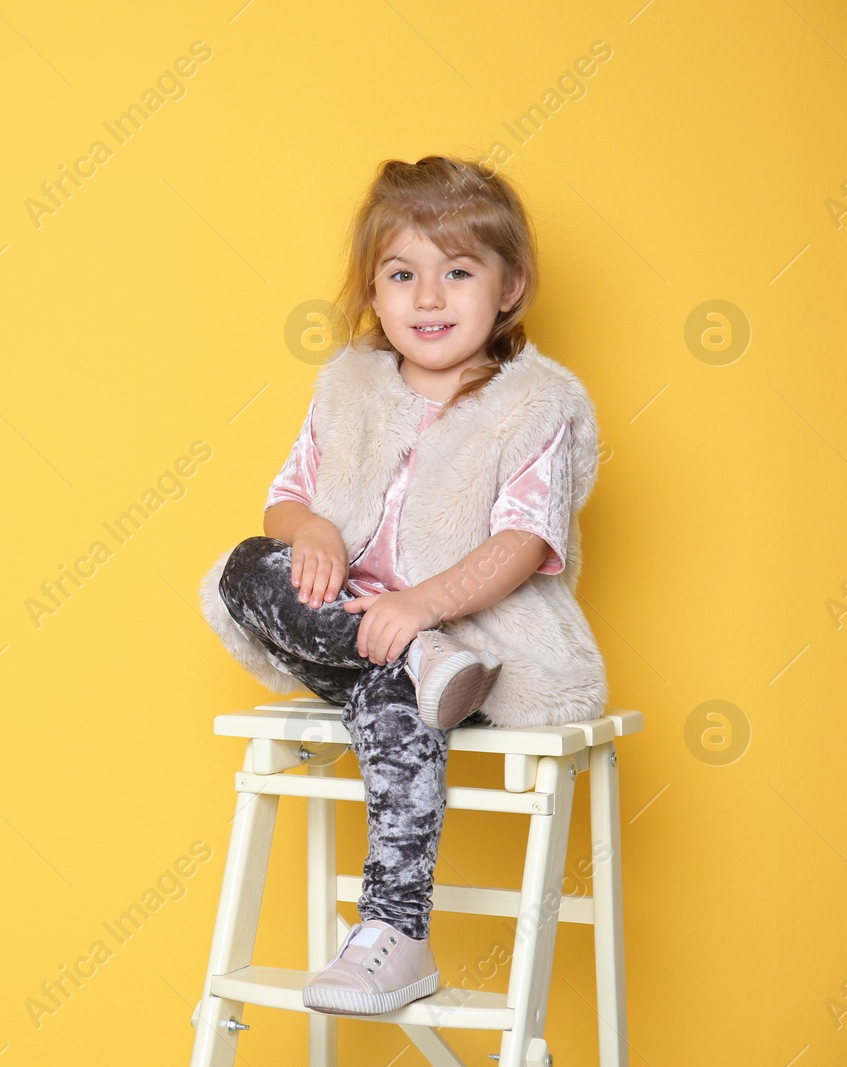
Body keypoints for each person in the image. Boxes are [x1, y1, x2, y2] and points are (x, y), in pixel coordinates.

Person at [198, 155, 608, 1017]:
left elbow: (525, 539)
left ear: (510, 287)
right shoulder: (348, 386)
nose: (429, 297)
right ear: (373, 294)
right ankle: (408, 658)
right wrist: (309, 531)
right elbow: (288, 498)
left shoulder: (537, 405)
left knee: (397, 690)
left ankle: (394, 927)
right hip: (359, 624)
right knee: (243, 566)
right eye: (402, 275)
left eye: (457, 272)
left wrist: (421, 606)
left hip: (480, 643)